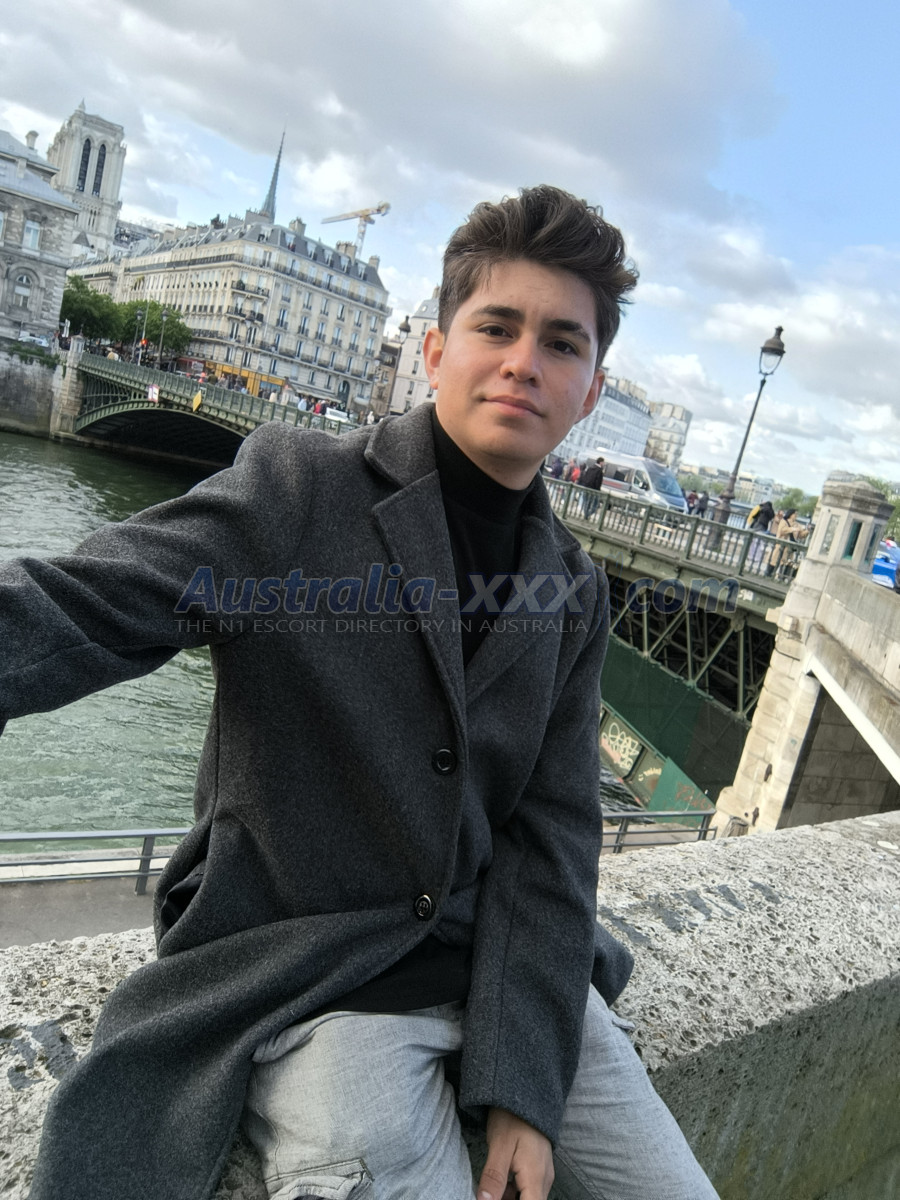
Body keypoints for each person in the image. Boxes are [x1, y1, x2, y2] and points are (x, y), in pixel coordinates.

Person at [6, 186, 718, 1200]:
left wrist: (525, 1081)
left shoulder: (574, 587)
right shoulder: (302, 491)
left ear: (590, 389)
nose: (525, 361)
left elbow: (553, 833)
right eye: (497, 327)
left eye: (562, 343)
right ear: (435, 350)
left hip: (498, 965)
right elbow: (94, 601)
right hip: (313, 975)